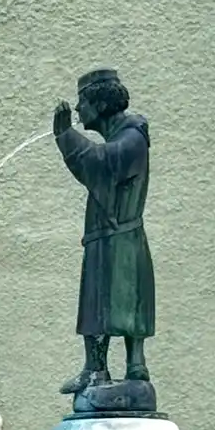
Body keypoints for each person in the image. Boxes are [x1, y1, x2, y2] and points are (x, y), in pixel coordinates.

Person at [52, 68, 155, 400]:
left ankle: (135, 370)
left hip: (121, 239)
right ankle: (96, 369)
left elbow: (102, 164)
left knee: (124, 302)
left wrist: (65, 135)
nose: (79, 111)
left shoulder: (132, 137)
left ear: (99, 102)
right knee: (98, 302)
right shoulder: (121, 136)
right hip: (106, 237)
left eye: (82, 103)